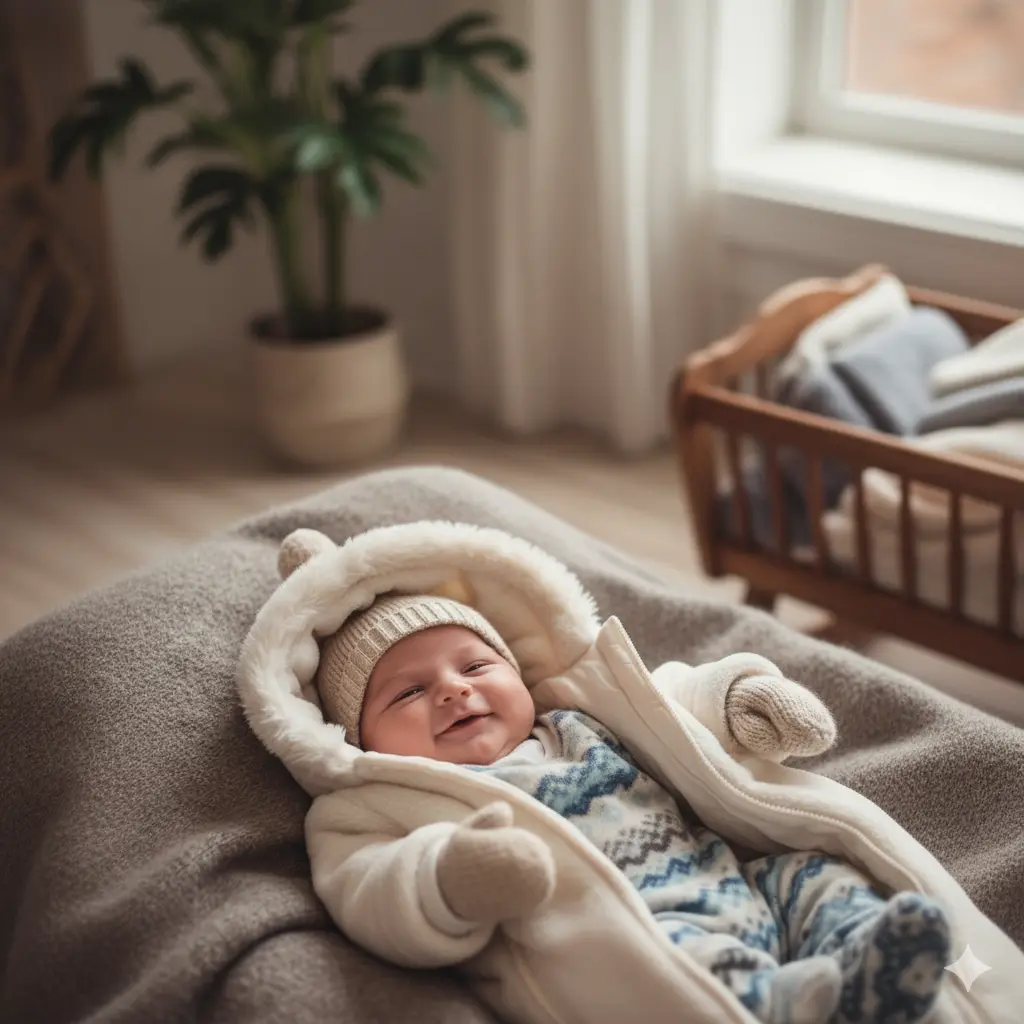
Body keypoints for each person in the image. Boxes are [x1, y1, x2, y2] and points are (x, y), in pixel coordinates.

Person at [308, 588, 950, 1024]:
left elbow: (666, 704)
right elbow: (366, 888)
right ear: (361, 741)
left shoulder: (577, 719)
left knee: (817, 875)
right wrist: (449, 879)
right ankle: (794, 1003)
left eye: (475, 666)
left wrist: (738, 702)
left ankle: (860, 960)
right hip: (632, 935)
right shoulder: (387, 801)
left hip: (735, 880)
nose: (452, 691)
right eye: (410, 692)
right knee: (684, 974)